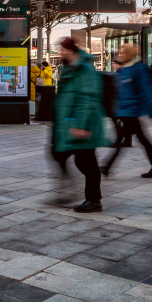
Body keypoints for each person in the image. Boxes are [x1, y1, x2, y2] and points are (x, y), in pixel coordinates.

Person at [52, 37, 111, 213]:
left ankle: (93, 200)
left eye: (62, 50)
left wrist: (80, 125)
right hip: (70, 124)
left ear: (70, 51)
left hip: (83, 125)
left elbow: (87, 99)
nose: (60, 53)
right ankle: (74, 193)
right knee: (61, 154)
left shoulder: (84, 69)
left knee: (86, 162)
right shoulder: (71, 67)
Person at [101, 42, 152, 178]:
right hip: (125, 112)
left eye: (123, 53)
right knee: (139, 138)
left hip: (131, 111)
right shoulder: (123, 70)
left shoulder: (139, 69)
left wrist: (151, 111)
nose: (120, 55)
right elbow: (120, 93)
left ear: (130, 54)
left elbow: (146, 90)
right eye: (120, 52)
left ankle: (107, 166)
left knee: (126, 139)